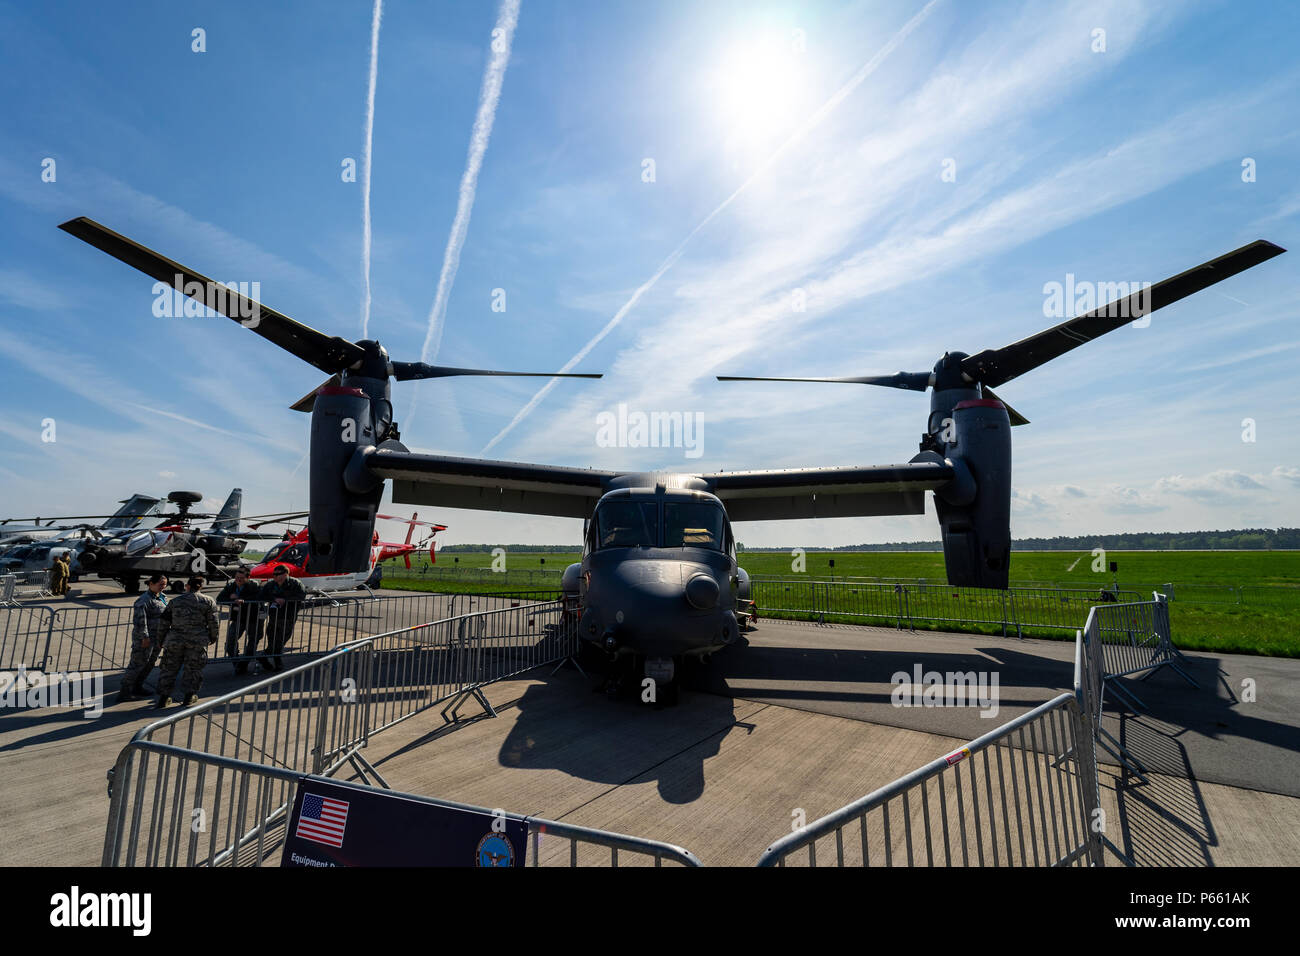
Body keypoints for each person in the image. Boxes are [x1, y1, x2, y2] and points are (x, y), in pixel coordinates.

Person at [154, 575, 219, 708]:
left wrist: (161, 640)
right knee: (193, 668)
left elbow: (164, 623)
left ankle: (163, 698)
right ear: (200, 587)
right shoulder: (208, 601)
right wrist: (213, 637)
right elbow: (214, 623)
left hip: (175, 640)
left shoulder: (175, 601)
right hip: (197, 641)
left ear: (187, 586)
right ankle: (189, 697)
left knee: (169, 668)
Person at [118, 574, 168, 702]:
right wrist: (144, 637)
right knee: (137, 664)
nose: (163, 586)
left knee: (149, 664)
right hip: (145, 639)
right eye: (160, 584)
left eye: (165, 584)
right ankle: (124, 692)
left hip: (158, 637)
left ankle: (137, 686)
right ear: (151, 584)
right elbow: (140, 621)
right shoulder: (144, 600)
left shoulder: (162, 598)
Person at [259, 565, 305, 672]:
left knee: (282, 639)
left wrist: (285, 600)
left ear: (285, 574)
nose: (274, 576)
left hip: (288, 617)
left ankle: (266, 656)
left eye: (277, 574)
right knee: (272, 639)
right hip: (274, 616)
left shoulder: (295, 583)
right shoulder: (270, 585)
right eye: (273, 574)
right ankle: (274, 661)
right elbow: (261, 596)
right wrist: (274, 599)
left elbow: (301, 596)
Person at [217, 568, 262, 676]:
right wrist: (231, 598)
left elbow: (259, 596)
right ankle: (237, 663)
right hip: (238, 618)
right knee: (230, 643)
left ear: (248, 578)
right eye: (237, 578)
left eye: (241, 578)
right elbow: (220, 598)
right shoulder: (232, 585)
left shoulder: (254, 585)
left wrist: (243, 599)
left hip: (253, 619)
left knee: (253, 641)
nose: (238, 580)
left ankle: (244, 664)